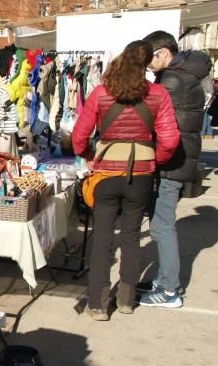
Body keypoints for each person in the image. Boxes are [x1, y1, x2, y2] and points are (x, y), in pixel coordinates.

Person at [72, 40, 180, 320]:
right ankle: (126, 300)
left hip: (106, 174)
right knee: (131, 236)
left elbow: (79, 136)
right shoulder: (158, 94)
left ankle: (97, 304)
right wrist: (154, 159)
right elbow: (170, 139)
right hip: (141, 175)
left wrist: (87, 155)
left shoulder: (101, 93)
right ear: (146, 63)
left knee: (103, 237)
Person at [138, 30, 212, 309]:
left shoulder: (173, 79)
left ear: (164, 53)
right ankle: (164, 279)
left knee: (162, 225)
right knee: (161, 222)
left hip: (172, 161)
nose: (147, 64)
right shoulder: (183, 73)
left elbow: (148, 112)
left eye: (150, 58)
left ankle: (170, 290)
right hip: (179, 157)